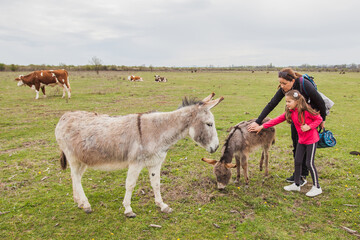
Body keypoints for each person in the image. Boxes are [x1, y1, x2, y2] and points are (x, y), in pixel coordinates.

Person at [248, 68, 326, 185]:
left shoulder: (305, 85)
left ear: (293, 81)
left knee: (307, 147)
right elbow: (272, 104)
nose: (282, 86)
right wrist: (258, 122)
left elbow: (320, 103)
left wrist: (322, 120)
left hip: (310, 120)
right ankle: (298, 175)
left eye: (284, 83)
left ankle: (304, 175)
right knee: (296, 146)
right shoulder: (284, 90)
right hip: (296, 119)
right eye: (280, 83)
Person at [253, 90, 323, 197]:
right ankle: (296, 184)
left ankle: (317, 187)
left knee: (309, 163)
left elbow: (319, 119)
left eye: (289, 101)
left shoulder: (307, 110)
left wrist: (309, 126)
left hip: (311, 140)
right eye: (286, 102)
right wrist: (261, 126)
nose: (287, 104)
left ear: (297, 101)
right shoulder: (291, 112)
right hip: (301, 140)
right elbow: (276, 120)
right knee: (297, 161)